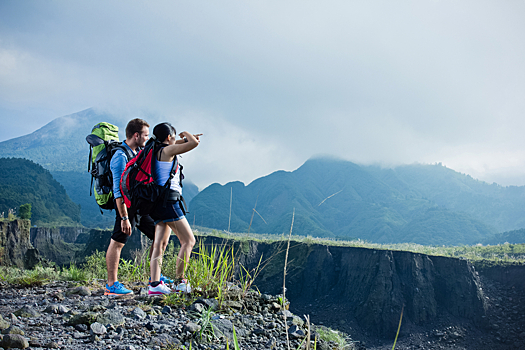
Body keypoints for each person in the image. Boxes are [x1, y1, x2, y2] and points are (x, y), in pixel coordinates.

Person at [104, 118, 173, 295]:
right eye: (145, 135)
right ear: (136, 135)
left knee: (160, 235)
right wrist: (124, 217)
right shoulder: (120, 157)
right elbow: (118, 190)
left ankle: (154, 277)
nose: (147, 138)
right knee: (118, 242)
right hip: (126, 207)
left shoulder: (140, 151)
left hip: (141, 206)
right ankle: (112, 285)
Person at [147, 122, 200, 295]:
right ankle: (180, 281)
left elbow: (176, 144)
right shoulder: (167, 151)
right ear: (169, 137)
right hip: (169, 202)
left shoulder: (155, 148)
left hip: (157, 202)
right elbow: (193, 144)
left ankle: (154, 284)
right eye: (174, 137)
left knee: (160, 244)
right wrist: (187, 135)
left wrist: (180, 140)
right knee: (188, 241)